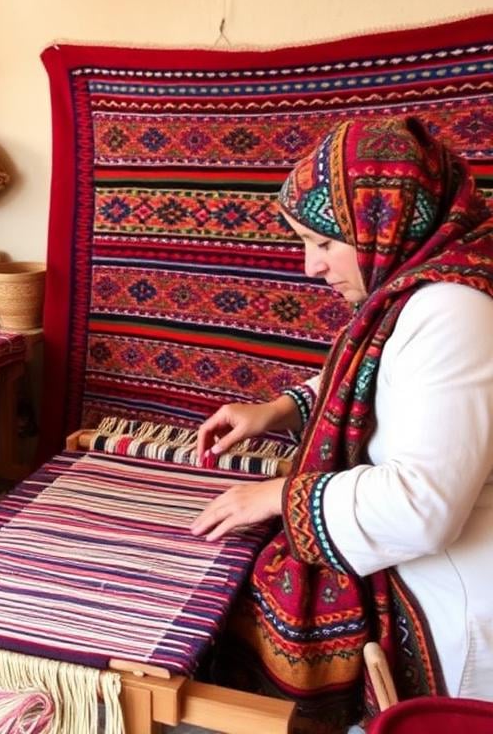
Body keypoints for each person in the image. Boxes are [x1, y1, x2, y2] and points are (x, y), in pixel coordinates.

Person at [190, 117, 493, 728]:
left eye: (325, 243)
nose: (311, 266)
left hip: (455, 603)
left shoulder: (453, 310)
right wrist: (282, 409)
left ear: (388, 220)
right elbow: (388, 379)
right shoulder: (422, 288)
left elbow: (423, 506)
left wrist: (277, 496)